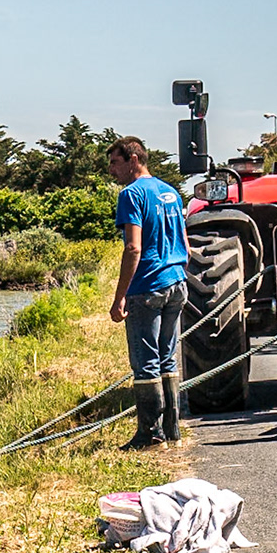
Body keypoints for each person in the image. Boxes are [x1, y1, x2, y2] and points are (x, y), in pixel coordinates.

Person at [107, 136, 189, 449]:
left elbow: (133, 247)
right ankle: (172, 430)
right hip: (176, 283)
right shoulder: (170, 192)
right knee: (168, 360)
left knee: (146, 363)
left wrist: (120, 296)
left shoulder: (131, 195)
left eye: (115, 163)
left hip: (148, 287)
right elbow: (186, 244)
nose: (112, 171)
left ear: (133, 159)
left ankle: (149, 434)